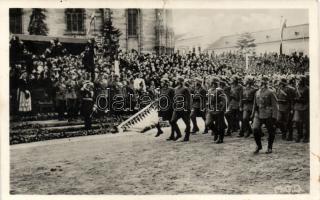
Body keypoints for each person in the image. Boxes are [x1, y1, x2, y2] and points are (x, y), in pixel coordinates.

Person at [251, 76, 277, 154]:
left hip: (268, 113)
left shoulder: (270, 92)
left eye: (262, 82)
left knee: (270, 130)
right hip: (258, 113)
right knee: (255, 129)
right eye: (259, 82)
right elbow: (255, 104)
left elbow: (275, 105)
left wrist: (274, 116)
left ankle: (269, 147)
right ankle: (259, 146)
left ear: (265, 83)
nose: (260, 83)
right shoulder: (257, 92)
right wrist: (252, 114)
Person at [205, 77, 228, 143]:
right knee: (208, 123)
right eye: (212, 83)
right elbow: (208, 99)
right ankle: (216, 133)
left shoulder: (219, 90)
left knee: (220, 125)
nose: (213, 84)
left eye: (215, 83)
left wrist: (222, 109)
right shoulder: (209, 90)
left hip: (218, 109)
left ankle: (221, 138)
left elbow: (224, 100)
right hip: (211, 109)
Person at [170, 76, 191, 142]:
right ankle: (179, 134)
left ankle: (187, 137)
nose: (176, 81)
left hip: (184, 108)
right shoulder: (175, 89)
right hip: (177, 108)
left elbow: (188, 99)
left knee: (187, 123)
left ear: (180, 81)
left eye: (177, 80)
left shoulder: (185, 89)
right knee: (172, 121)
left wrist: (188, 108)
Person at [293, 75, 309, 143]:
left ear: (303, 81)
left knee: (305, 123)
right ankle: (299, 135)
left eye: (299, 80)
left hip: (305, 107)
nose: (298, 81)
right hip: (297, 107)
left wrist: (297, 99)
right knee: (297, 122)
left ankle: (306, 136)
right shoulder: (297, 88)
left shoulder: (307, 89)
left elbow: (306, 99)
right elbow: (295, 96)